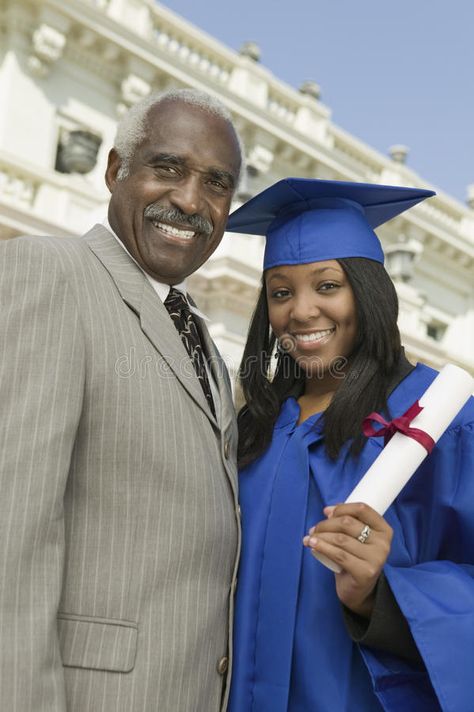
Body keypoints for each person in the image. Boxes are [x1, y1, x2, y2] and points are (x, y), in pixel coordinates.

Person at [0, 88, 243, 711]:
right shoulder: (50, 272)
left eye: (216, 184)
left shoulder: (206, 350)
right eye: (167, 168)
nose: (190, 200)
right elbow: (11, 536)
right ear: (115, 171)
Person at [225, 178, 474, 712]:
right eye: (281, 292)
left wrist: (379, 596)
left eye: (328, 285)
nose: (302, 312)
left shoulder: (439, 420)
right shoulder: (254, 428)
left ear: (369, 291)